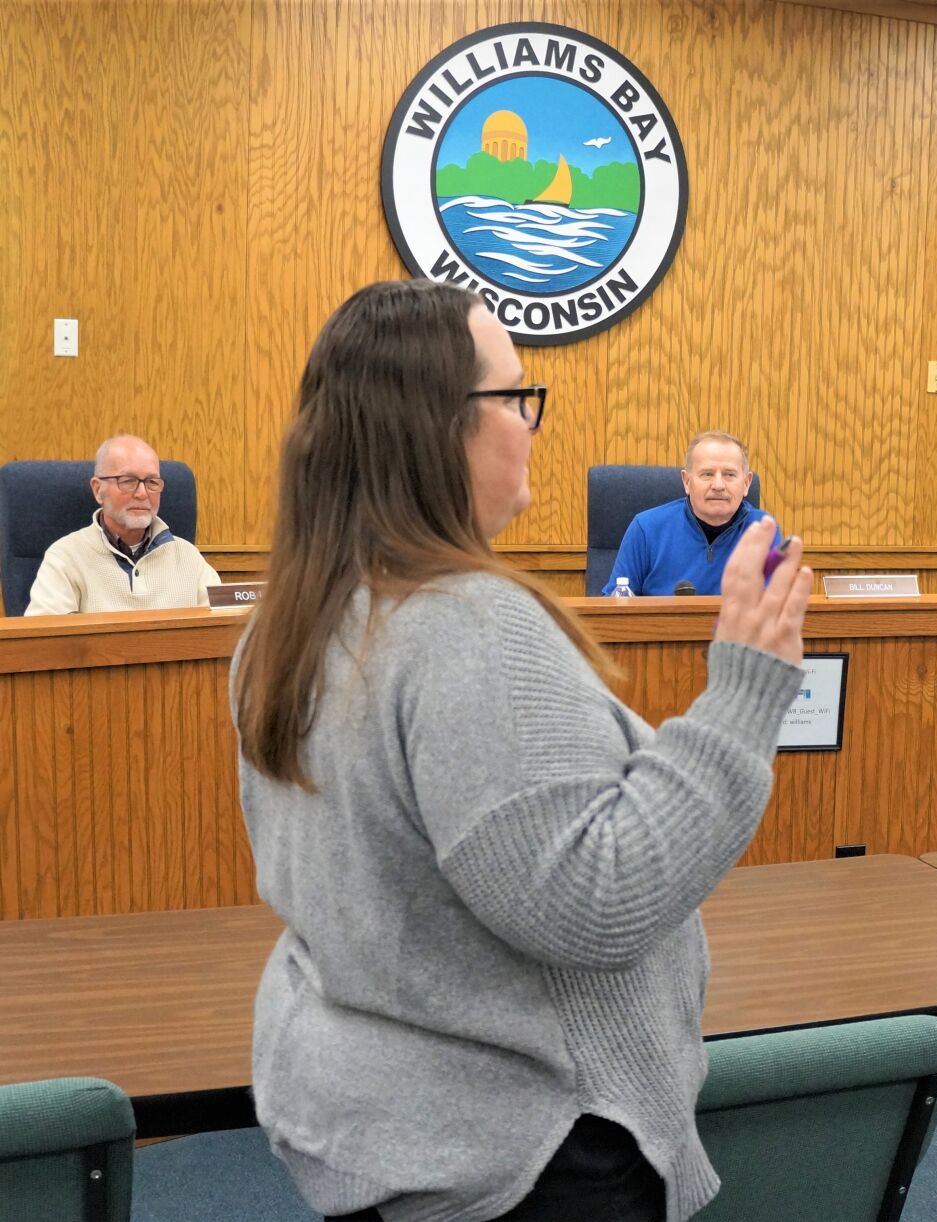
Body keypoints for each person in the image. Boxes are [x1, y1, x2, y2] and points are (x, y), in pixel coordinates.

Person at [231, 280, 811, 1222]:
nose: (532, 423)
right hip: (528, 1150)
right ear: (440, 426)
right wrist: (743, 692)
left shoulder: (291, 620)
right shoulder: (468, 627)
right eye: (515, 396)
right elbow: (599, 899)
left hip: (387, 1120)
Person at [24, 434, 221, 614]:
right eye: (128, 481)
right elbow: (44, 644)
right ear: (98, 489)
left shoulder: (188, 557)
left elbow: (224, 629)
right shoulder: (64, 558)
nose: (142, 493)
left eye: (152, 482)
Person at [602, 432, 776, 595]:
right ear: (687, 481)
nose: (718, 485)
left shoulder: (764, 530)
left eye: (729, 475)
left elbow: (775, 611)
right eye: (707, 474)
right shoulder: (646, 528)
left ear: (746, 483)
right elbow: (614, 610)